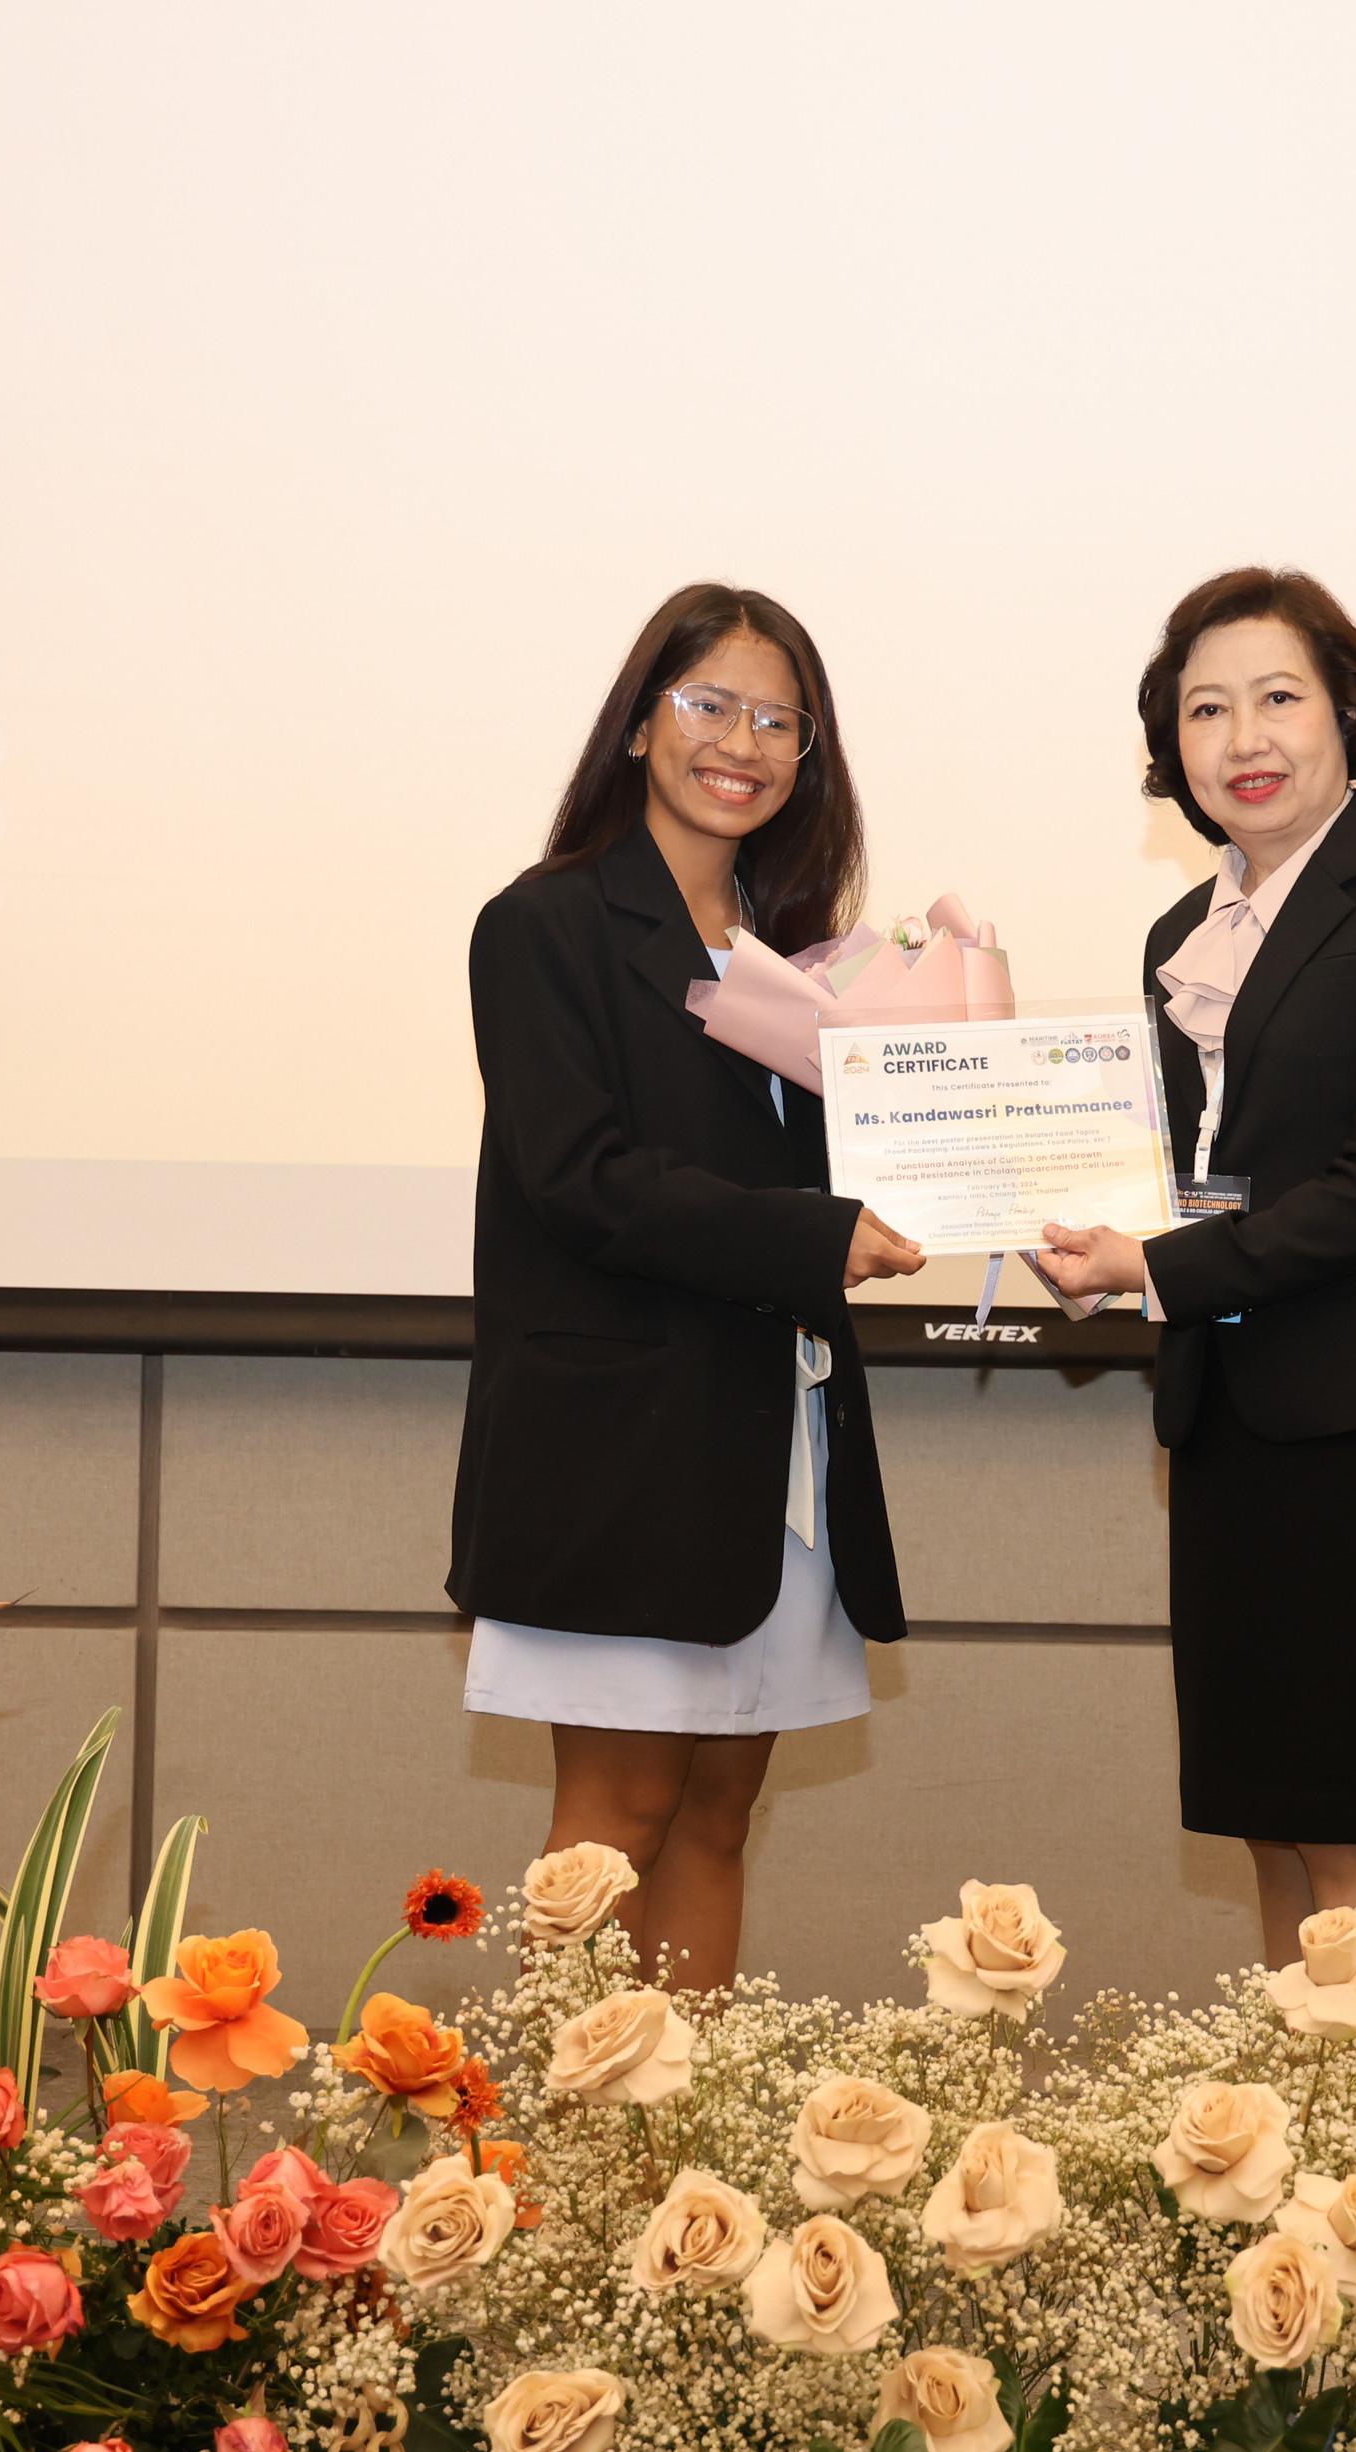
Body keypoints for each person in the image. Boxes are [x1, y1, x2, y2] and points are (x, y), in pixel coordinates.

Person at [1035, 568, 1356, 1958]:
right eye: (1205, 710)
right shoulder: (1181, 936)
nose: (1242, 739)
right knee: (1272, 1816)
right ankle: (1291, 2111)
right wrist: (1065, 1209)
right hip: (1237, 1417)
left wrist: (1157, 1268)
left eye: (1276, 698)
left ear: (1348, 717)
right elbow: (1194, 1168)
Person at [453, 583, 924, 1989]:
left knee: (719, 1815)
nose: (744, 744)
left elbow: (841, 1171)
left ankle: (686, 2130)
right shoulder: (546, 924)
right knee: (619, 1823)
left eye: (781, 721)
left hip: (776, 1441)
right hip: (623, 1450)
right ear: (638, 723)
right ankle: (574, 2127)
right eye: (710, 704)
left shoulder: (806, 953)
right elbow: (579, 1178)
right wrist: (814, 1238)